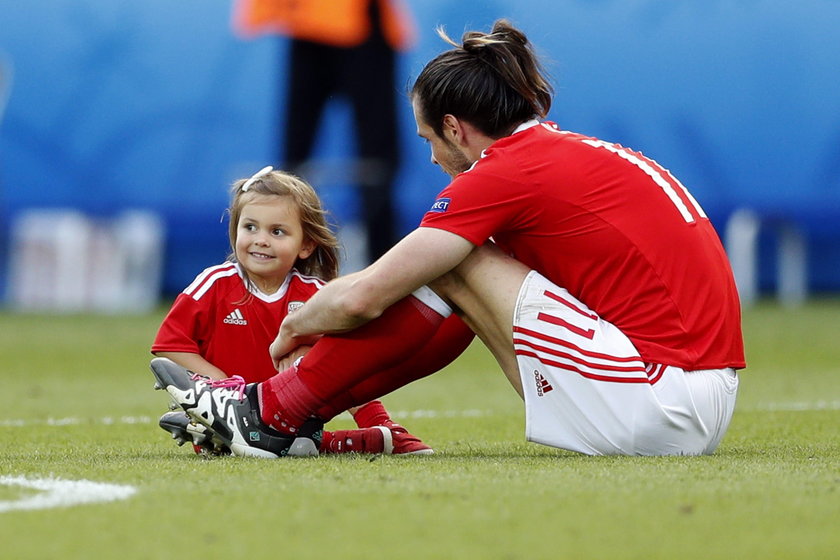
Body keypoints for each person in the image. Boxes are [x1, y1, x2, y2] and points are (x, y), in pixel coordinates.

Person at [151, 19, 745, 458]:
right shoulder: (562, 155)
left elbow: (365, 297)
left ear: (457, 129)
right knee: (459, 277)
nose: (434, 159)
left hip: (660, 399)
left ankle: (268, 411)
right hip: (692, 397)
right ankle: (283, 417)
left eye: (430, 139)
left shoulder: (504, 172)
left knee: (451, 263)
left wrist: (298, 324)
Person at [150, 166, 434, 455]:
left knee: (336, 375)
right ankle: (336, 442)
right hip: (226, 416)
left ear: (306, 245)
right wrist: (225, 392)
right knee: (292, 448)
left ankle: (383, 430)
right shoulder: (214, 284)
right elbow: (171, 346)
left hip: (295, 419)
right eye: (250, 227)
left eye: (277, 231)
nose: (261, 239)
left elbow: (349, 361)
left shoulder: (316, 295)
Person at [232, 0, 416, 262]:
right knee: (295, 161)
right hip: (309, 24)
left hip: (359, 26)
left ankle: (384, 264)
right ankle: (282, 259)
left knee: (377, 163)